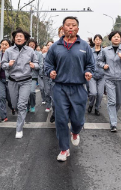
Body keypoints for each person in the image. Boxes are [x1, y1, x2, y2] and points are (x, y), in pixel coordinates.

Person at [45, 16, 95, 162]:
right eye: (68, 25)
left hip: (79, 87)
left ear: (77, 29)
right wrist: (50, 72)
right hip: (60, 88)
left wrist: (89, 72)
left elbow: (91, 65)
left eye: (74, 25)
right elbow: (48, 64)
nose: (71, 27)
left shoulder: (84, 46)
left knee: (78, 119)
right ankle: (64, 149)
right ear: (63, 28)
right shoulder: (55, 47)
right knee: (61, 119)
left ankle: (75, 132)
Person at [1, 28, 39, 139]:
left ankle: (19, 128)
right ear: (14, 38)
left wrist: (34, 65)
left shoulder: (30, 51)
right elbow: (3, 65)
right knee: (14, 104)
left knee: (22, 105)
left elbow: (37, 64)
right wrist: (8, 64)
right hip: (12, 81)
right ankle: (19, 112)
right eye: (16, 36)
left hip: (26, 81)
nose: (18, 38)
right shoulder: (8, 51)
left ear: (25, 39)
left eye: (21, 36)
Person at [97, 31, 121, 132]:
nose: (116, 38)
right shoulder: (105, 50)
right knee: (111, 101)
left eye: (118, 37)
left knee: (118, 101)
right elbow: (99, 61)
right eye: (114, 37)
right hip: (109, 78)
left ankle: (113, 116)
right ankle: (113, 123)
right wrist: (104, 65)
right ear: (111, 38)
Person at [0, 39, 14, 122]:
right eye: (2, 44)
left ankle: (12, 107)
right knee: (1, 97)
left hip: (10, 79)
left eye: (6, 44)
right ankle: (3, 116)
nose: (4, 46)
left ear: (9, 46)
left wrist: (9, 65)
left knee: (10, 98)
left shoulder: (12, 55)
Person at [87, 34, 105, 116]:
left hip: (102, 75)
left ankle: (97, 108)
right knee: (93, 93)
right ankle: (91, 104)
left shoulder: (104, 51)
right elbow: (86, 62)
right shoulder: (90, 51)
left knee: (100, 94)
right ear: (94, 41)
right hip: (92, 75)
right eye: (96, 39)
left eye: (99, 39)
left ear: (101, 41)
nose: (98, 41)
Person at [27, 38, 43, 113]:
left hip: (33, 76)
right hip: (24, 76)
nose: (31, 46)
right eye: (30, 45)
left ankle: (32, 105)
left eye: (33, 45)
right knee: (25, 92)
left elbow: (41, 65)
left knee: (31, 92)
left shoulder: (39, 54)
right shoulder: (23, 53)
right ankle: (27, 106)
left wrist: (34, 66)